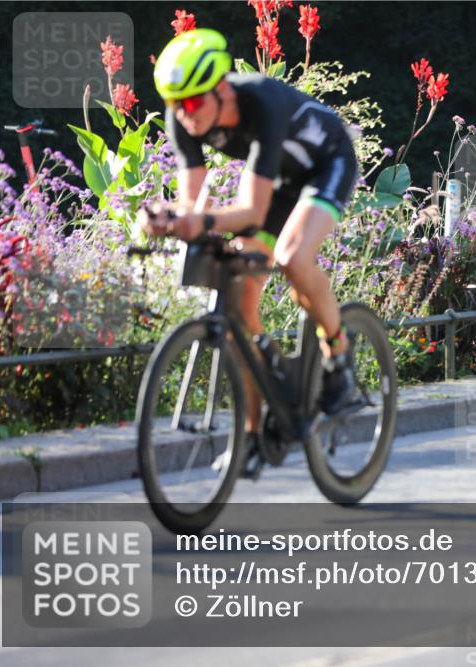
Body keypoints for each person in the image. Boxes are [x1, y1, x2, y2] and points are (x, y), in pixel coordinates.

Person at [139, 28, 363, 472]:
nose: (182, 115)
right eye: (173, 104)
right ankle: (253, 433)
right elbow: (192, 203)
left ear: (221, 88)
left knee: (292, 256)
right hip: (278, 182)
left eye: (190, 103)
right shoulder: (182, 118)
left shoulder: (261, 104)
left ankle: (338, 354)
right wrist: (166, 218)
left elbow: (250, 209)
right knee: (239, 306)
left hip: (326, 164)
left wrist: (197, 221)